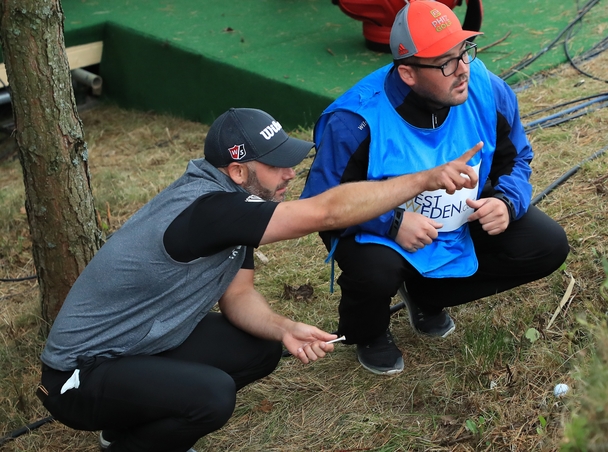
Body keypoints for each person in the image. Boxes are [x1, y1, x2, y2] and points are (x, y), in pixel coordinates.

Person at [37, 107, 479, 452]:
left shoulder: (232, 200)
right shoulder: (211, 210)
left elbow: (238, 295)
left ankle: (125, 426)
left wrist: (285, 328)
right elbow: (325, 212)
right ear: (237, 170)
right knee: (212, 397)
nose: (290, 172)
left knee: (261, 348)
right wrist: (422, 180)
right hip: (76, 376)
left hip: (134, 347)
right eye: (276, 164)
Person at [301, 0, 570, 376]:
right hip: (379, 233)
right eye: (446, 62)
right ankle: (369, 332)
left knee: (547, 245)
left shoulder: (486, 88)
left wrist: (506, 201)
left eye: (464, 52)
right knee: (376, 272)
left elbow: (517, 157)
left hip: (459, 221)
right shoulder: (354, 121)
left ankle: (426, 295)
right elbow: (320, 206)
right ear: (408, 73)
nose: (463, 69)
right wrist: (391, 223)